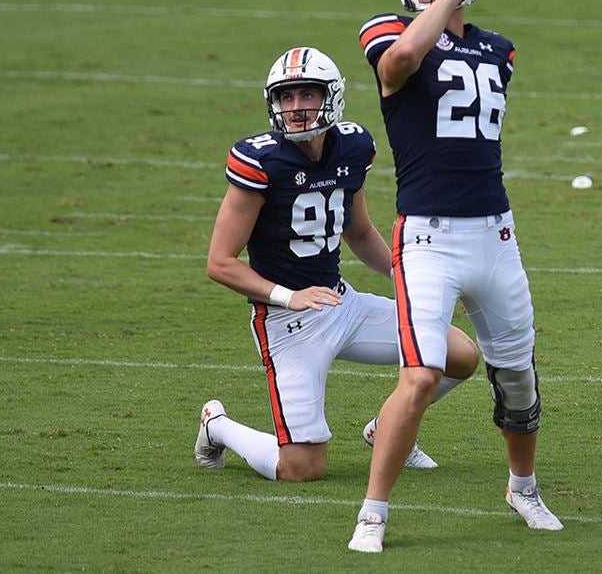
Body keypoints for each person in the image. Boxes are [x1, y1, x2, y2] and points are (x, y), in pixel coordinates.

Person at [348, 0, 563, 553]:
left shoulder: (500, 49)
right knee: (419, 376)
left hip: (495, 234)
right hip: (427, 238)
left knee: (518, 379)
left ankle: (522, 488)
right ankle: (373, 511)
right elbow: (401, 64)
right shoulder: (388, 30)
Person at [194, 46, 479, 483]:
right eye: (286, 97)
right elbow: (220, 263)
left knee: (459, 355)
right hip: (286, 322)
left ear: (331, 96)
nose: (296, 108)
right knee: (302, 469)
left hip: (339, 303)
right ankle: (216, 424)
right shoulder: (260, 161)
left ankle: (388, 428)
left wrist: (405, 279)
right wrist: (290, 297)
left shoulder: (352, 146)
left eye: (306, 95)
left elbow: (359, 231)